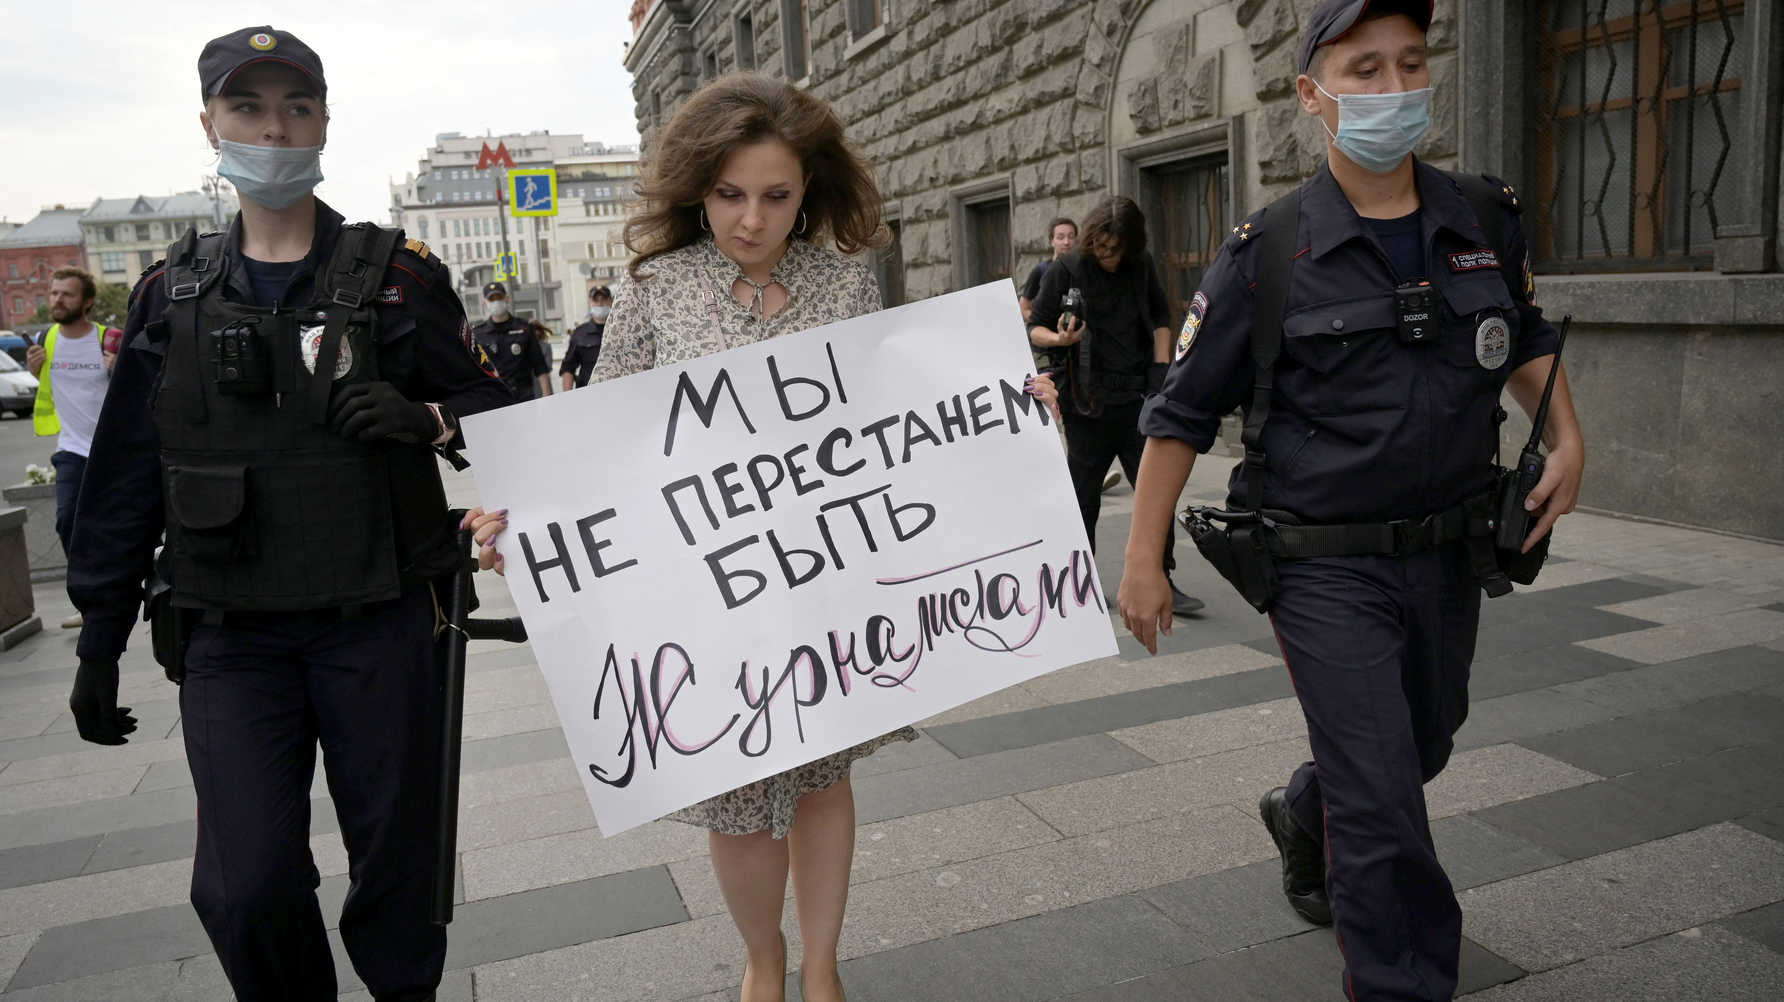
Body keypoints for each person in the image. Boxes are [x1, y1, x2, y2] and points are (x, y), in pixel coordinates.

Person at [465, 73, 1054, 1002]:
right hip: (709, 602)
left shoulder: (845, 285)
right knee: (739, 806)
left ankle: (821, 967)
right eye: (730, 194)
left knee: (821, 779)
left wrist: (999, 405)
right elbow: (597, 444)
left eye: (776, 195)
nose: (751, 219)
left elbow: (895, 423)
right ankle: (764, 957)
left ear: (807, 190)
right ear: (698, 189)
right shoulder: (658, 289)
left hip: (827, 584)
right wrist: (525, 523)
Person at [1117, 3, 1585, 999]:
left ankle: (1301, 810)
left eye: (1408, 64)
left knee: (1421, 738)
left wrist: (1566, 435)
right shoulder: (1267, 251)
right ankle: (1402, 979)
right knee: (1380, 801)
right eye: (1361, 69)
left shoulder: (1482, 216)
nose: (1391, 88)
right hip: (1318, 561)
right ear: (1311, 96)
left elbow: (1527, 331)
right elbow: (1178, 412)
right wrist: (1140, 557)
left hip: (1451, 549)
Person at [62, 25, 512, 1002]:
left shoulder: (396, 278)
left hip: (383, 623)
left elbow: (504, 414)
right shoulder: (169, 296)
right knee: (244, 884)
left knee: (398, 871)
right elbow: (127, 473)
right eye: (249, 108)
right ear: (210, 123)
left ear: (322, 120)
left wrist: (426, 416)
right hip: (231, 637)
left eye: (296, 107)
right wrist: (100, 635)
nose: (274, 128)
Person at [1029, 196, 1203, 618]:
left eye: (1115, 249)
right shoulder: (1066, 269)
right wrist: (1061, 340)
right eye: (1101, 248)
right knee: (1084, 497)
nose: (1107, 256)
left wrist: (1162, 375)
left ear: (1130, 243)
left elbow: (1162, 318)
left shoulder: (1140, 266)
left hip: (1137, 400)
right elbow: (1035, 327)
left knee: (1154, 492)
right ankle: (1079, 585)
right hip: (1085, 403)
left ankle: (1163, 576)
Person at [26, 266, 119, 629]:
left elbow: (138, 388)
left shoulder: (108, 339)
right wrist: (36, 374)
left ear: (87, 301)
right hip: (72, 449)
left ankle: (123, 587)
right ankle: (87, 602)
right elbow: (52, 387)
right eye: (53, 293)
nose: (57, 300)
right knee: (67, 521)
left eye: (66, 294)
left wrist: (118, 368)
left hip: (112, 450)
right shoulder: (45, 338)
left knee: (117, 524)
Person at [470, 281, 551, 402]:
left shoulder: (524, 328)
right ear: (484, 303)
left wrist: (547, 397)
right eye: (491, 299)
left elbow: (539, 366)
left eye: (499, 297)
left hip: (524, 395)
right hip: (494, 397)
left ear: (507, 299)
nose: (496, 302)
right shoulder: (478, 334)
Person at [1017, 216, 1076, 324]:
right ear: (1052, 241)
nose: (1066, 242)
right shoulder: (1041, 270)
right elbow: (1024, 308)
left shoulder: (1080, 270)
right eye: (1060, 237)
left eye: (1071, 237)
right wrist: (1042, 326)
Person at [560, 284, 610, 390]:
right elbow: (568, 367)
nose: (600, 304)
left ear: (610, 301)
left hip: (618, 389)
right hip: (589, 392)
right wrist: (566, 397)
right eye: (596, 300)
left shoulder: (621, 329)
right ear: (590, 303)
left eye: (604, 299)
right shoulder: (580, 333)